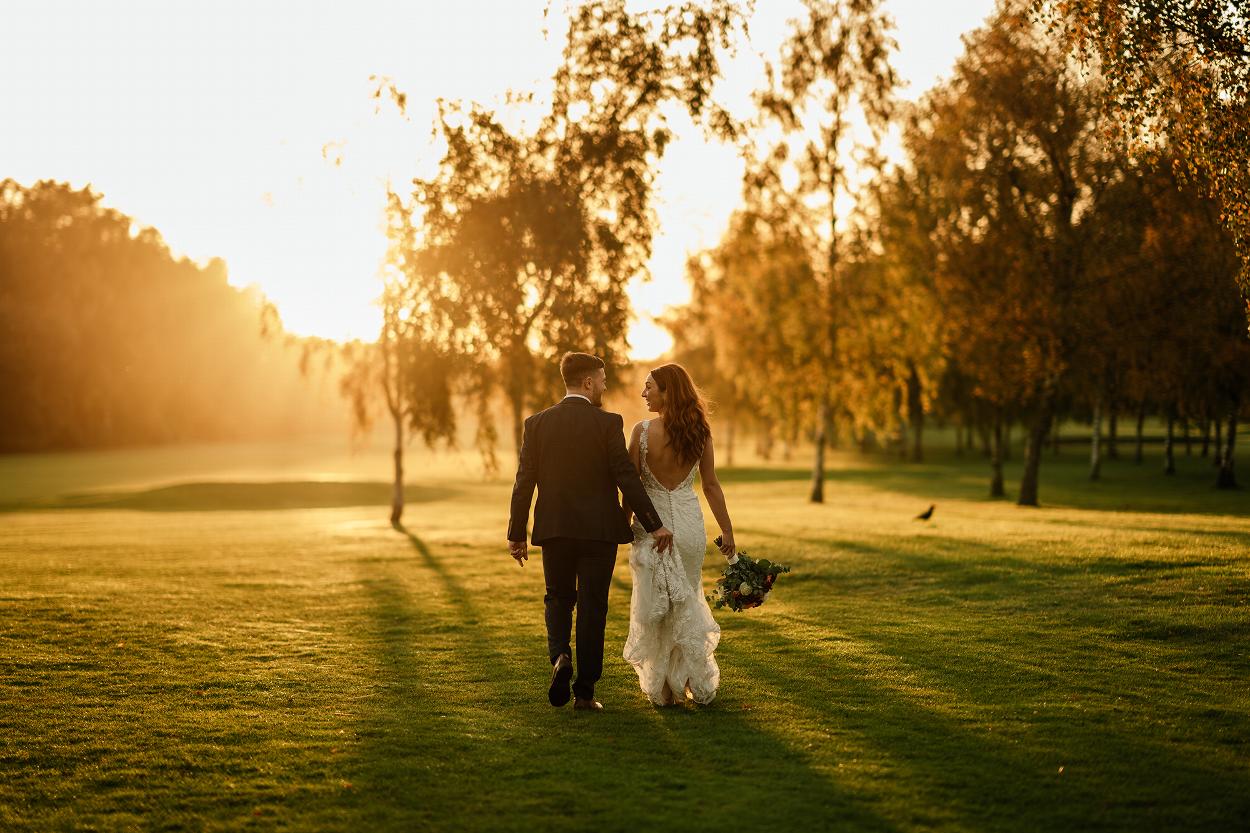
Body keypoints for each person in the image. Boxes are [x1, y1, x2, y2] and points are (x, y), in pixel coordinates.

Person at [507, 352, 674, 712]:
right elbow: (625, 477)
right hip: (598, 533)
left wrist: (516, 533)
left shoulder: (536, 424)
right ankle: (585, 693)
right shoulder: (607, 424)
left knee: (557, 598)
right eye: (601, 380)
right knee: (593, 607)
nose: (604, 386)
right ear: (587, 383)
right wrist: (654, 523)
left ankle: (560, 657)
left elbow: (524, 482)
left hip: (554, 530)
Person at [623, 363, 735, 706]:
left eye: (649, 387)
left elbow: (630, 488)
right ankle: (685, 679)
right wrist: (727, 530)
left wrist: (621, 525)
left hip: (652, 527)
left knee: (656, 605)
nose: (644, 394)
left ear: (668, 391)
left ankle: (667, 689)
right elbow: (711, 485)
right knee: (684, 599)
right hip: (688, 525)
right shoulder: (700, 431)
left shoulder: (642, 433)